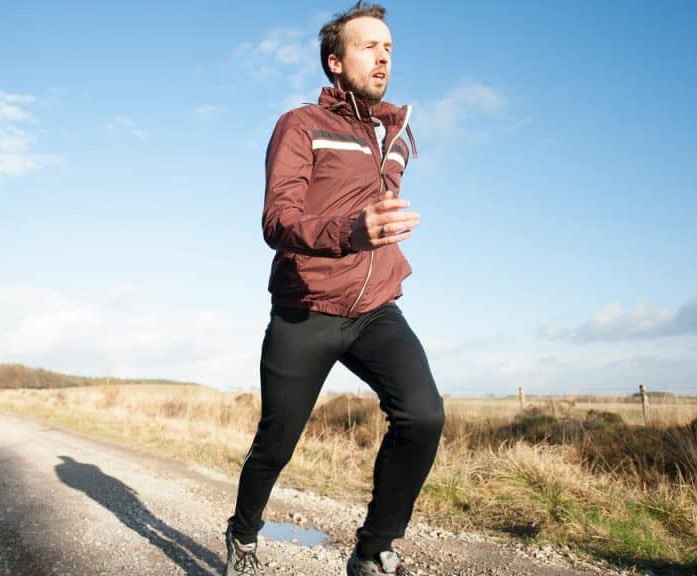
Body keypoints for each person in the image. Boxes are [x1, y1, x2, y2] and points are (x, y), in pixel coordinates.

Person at [224, 3, 445, 576]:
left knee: (423, 415)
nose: (383, 56)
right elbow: (278, 221)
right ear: (334, 62)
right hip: (307, 308)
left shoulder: (395, 134)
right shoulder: (300, 125)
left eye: (389, 48)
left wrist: (376, 240)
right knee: (277, 442)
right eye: (369, 46)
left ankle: (371, 551)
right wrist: (352, 232)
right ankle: (243, 535)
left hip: (375, 307)